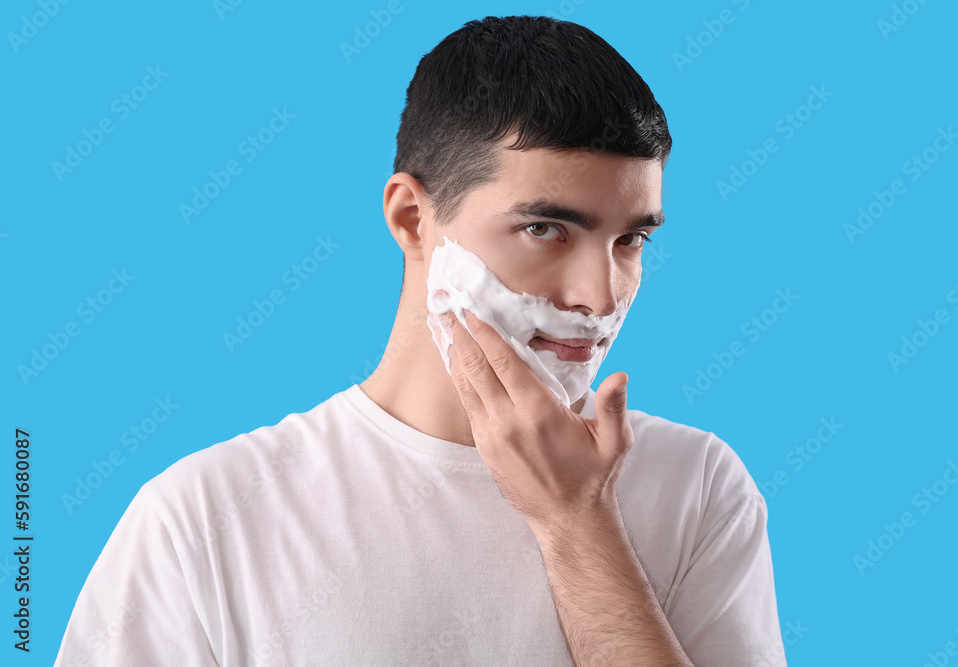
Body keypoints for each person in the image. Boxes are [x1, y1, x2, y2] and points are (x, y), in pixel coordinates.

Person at [55, 15, 785, 666]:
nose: (598, 295)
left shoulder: (699, 488)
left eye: (629, 240)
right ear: (411, 220)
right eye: (545, 229)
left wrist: (576, 521)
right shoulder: (204, 518)